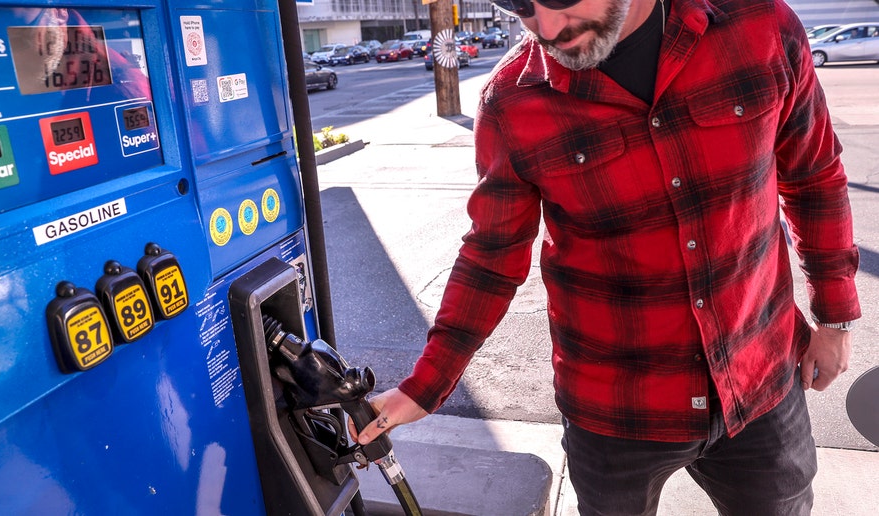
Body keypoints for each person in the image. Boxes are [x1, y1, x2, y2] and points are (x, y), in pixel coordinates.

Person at [353, 0, 861, 514]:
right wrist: (426, 386)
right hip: (614, 411)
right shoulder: (512, 101)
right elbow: (491, 255)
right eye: (517, 6)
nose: (546, 28)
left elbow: (814, 175)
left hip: (760, 382)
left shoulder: (760, 27)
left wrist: (835, 319)